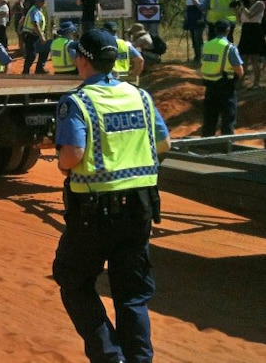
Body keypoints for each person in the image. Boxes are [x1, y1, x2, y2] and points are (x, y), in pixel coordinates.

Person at [53, 28, 171, 363]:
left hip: (93, 212)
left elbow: (72, 155)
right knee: (132, 295)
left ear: (83, 59)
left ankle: (109, 356)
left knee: (73, 280)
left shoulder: (78, 101)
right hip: (140, 209)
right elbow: (164, 144)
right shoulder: (140, 96)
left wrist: (64, 166)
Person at [201, 20, 244, 137]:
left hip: (209, 86)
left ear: (215, 30)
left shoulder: (206, 45)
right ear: (228, 31)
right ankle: (227, 146)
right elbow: (239, 70)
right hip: (226, 87)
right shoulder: (229, 48)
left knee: (209, 119)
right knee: (228, 119)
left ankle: (205, 145)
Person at [235, 0, 264, 88]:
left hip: (255, 31)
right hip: (245, 30)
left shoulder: (260, 4)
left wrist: (242, 6)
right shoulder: (245, 6)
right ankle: (240, 82)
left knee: (254, 59)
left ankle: (256, 83)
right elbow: (239, 20)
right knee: (243, 58)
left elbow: (250, 15)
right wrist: (235, 9)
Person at [21, 0, 49, 74]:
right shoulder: (34, 10)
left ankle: (39, 69)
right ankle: (25, 71)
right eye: (41, 1)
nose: (43, 2)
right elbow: (35, 23)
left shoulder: (38, 10)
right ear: (37, 2)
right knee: (31, 54)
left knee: (45, 49)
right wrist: (42, 36)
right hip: (30, 35)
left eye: (43, 0)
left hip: (35, 35)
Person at [182, 0, 206, 64]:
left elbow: (205, 12)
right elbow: (187, 14)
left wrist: (202, 19)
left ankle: (201, 58)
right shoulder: (189, 5)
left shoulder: (200, 4)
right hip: (191, 24)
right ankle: (197, 57)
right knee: (194, 41)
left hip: (199, 24)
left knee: (198, 41)